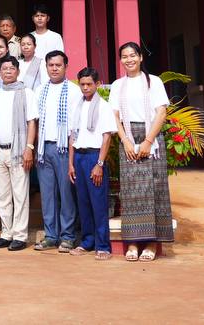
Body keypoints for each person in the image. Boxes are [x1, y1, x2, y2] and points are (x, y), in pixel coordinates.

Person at [112, 42, 174, 262]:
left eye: (133, 55)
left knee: (155, 190)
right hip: (128, 138)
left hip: (152, 138)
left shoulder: (153, 82)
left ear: (140, 57)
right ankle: (132, 243)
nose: (129, 60)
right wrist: (125, 141)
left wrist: (148, 141)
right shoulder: (118, 85)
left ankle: (151, 243)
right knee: (131, 193)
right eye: (124, 56)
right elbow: (115, 116)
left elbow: (161, 113)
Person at [35, 50, 82, 253]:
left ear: (66, 67)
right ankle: (50, 236)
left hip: (64, 148)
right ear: (46, 67)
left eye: (58, 65)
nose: (54, 69)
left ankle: (68, 236)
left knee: (66, 194)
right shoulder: (40, 90)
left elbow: (75, 126)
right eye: (51, 65)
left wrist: (72, 155)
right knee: (47, 195)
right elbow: (35, 121)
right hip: (43, 148)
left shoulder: (74, 91)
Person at [0, 55, 38, 251]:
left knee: (20, 195)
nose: (8, 71)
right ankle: (6, 233)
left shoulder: (26, 93)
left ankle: (20, 235)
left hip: (18, 151)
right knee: (2, 195)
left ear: (18, 71)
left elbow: (31, 122)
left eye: (11, 68)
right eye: (4, 69)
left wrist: (29, 148)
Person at [69, 67, 117, 260]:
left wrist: (99, 164)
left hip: (94, 157)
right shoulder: (77, 105)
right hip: (79, 157)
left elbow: (107, 137)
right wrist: (70, 163)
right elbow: (72, 136)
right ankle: (87, 242)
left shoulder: (104, 106)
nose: (86, 88)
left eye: (89, 84)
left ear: (97, 84)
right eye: (82, 84)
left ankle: (103, 246)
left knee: (98, 202)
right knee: (83, 203)